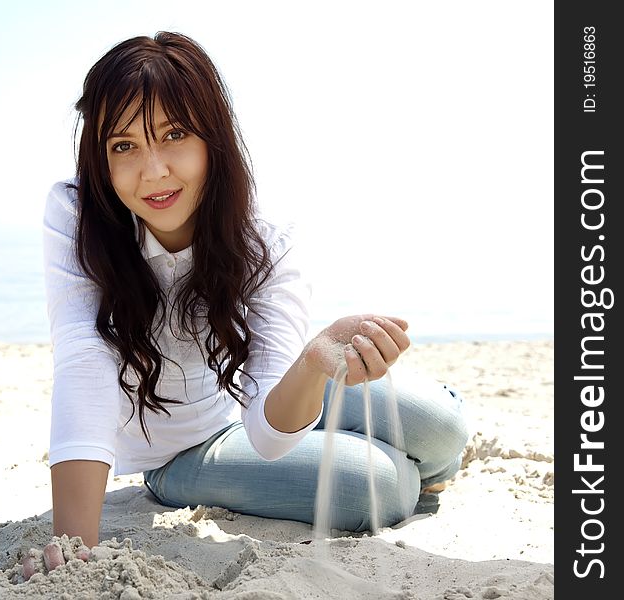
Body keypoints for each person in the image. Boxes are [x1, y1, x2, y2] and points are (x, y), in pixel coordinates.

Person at [28, 31, 469, 578]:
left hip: (248, 405)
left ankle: (428, 464)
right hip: (179, 453)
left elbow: (265, 426)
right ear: (100, 157)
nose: (154, 170)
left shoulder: (264, 236)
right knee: (374, 485)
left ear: (213, 139)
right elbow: (83, 359)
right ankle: (414, 473)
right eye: (123, 146)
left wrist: (312, 363)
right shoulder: (77, 214)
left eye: (174, 135)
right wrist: (75, 547)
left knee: (443, 422)